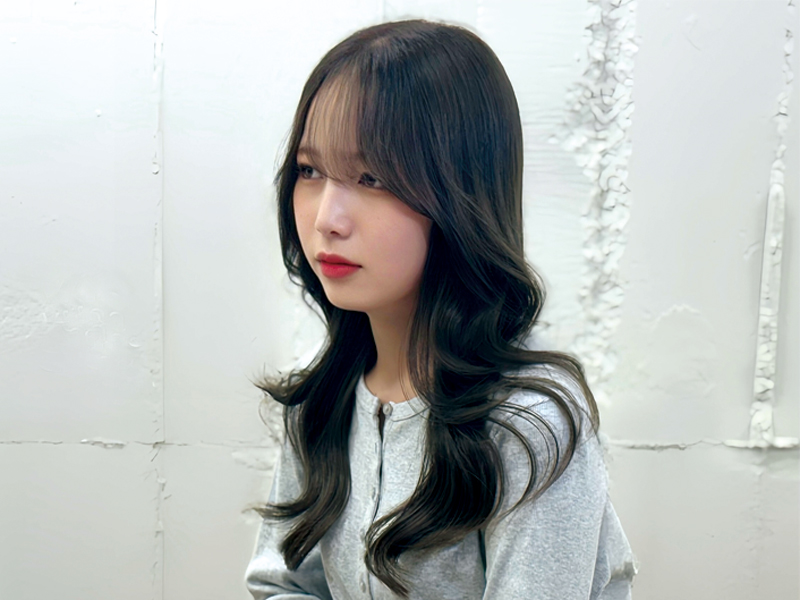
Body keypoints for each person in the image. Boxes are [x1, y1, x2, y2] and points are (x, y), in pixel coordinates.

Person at [245, 18, 637, 600]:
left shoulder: (529, 422)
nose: (327, 218)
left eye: (371, 177)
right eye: (310, 171)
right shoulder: (323, 399)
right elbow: (282, 583)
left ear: (460, 191)